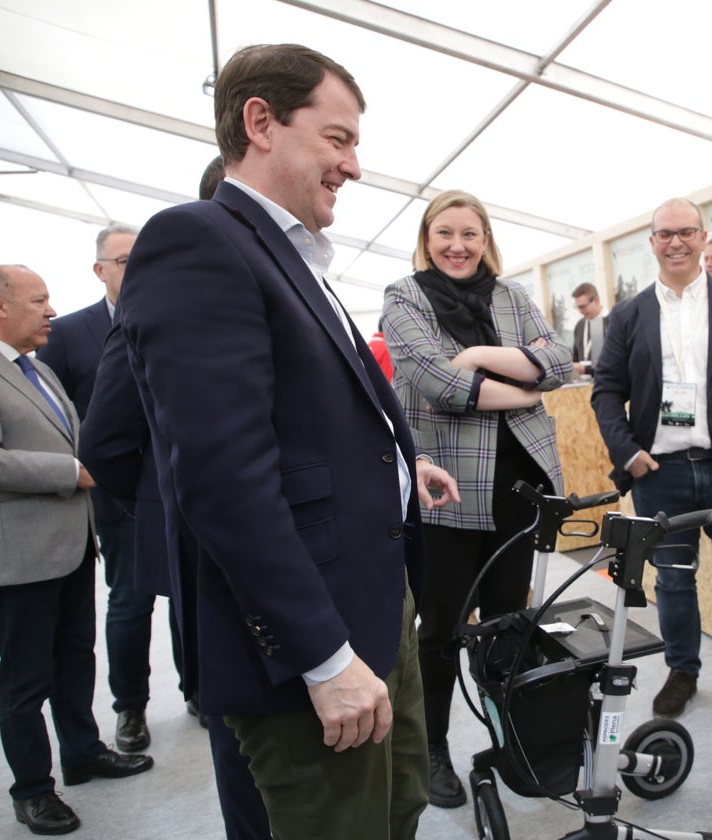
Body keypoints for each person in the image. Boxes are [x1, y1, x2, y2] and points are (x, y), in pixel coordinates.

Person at [117, 43, 459, 839]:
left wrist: (402, 468)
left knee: (393, 809)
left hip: (373, 611)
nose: (355, 166)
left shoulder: (294, 253)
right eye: (338, 139)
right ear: (261, 122)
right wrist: (323, 657)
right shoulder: (197, 240)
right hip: (314, 644)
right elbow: (222, 479)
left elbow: (305, 420)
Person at [78, 155, 273, 840]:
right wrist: (172, 506)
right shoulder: (163, 301)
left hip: (280, 554)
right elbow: (103, 442)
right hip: (204, 546)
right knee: (235, 724)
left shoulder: (287, 285)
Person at [382, 189, 573, 808]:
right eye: (445, 233)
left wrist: (482, 357)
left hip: (521, 490)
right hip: (448, 493)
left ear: (486, 238)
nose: (458, 246)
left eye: (470, 234)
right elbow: (436, 381)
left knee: (508, 626)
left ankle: (510, 737)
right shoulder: (403, 297)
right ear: (426, 237)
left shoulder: (511, 296)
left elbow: (560, 362)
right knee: (437, 630)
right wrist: (524, 388)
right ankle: (431, 751)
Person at [0, 265, 153, 836]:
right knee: (24, 678)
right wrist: (73, 471)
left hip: (66, 546)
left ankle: (83, 752)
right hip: (17, 556)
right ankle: (33, 789)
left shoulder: (35, 369)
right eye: (38, 300)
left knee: (73, 659)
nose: (51, 310)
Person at [591, 198, 712, 720]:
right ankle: (683, 672)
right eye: (663, 234)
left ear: (704, 238)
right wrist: (627, 451)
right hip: (662, 473)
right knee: (673, 580)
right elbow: (606, 391)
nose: (674, 242)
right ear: (651, 243)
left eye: (685, 232)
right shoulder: (629, 316)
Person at [37, 223, 159, 755]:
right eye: (125, 260)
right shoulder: (67, 334)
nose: (136, 268)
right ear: (100, 270)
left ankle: (199, 691)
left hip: (175, 486)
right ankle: (129, 707)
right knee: (130, 601)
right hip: (115, 493)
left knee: (189, 602)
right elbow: (50, 415)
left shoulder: (170, 315)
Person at [570, 281, 608, 378]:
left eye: (583, 306)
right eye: (577, 307)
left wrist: (586, 369)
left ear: (596, 300)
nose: (580, 311)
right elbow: (575, 358)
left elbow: (609, 363)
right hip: (583, 388)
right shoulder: (580, 325)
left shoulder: (611, 322)